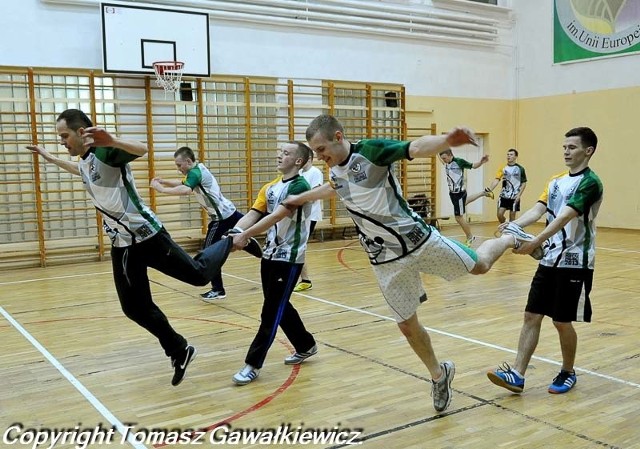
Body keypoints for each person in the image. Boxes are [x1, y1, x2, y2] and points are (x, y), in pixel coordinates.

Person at [284, 114, 542, 413]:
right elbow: (334, 188)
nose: (318, 157)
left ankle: (510, 236)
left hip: (418, 240)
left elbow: (416, 147)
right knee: (407, 324)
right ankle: (439, 374)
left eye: (320, 149)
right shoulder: (336, 170)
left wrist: (446, 141)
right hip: (385, 258)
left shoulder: (372, 151)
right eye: (314, 152)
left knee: (481, 265)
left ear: (338, 137)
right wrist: (301, 198)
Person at [26, 109, 234, 387]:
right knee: (134, 307)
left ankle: (233, 239)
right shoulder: (86, 161)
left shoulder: (106, 153)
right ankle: (179, 349)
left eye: (64, 136)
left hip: (147, 235)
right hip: (122, 244)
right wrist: (50, 158)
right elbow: (81, 171)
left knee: (198, 276)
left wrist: (111, 139)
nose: (62, 141)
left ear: (81, 132)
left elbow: (142, 149)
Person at [487, 127, 602, 395]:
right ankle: (517, 374)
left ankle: (568, 371)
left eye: (572, 147)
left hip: (575, 262)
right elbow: (540, 210)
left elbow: (564, 217)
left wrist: (535, 242)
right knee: (531, 315)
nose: (566, 151)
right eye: (564, 147)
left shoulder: (590, 182)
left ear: (588, 151)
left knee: (561, 321)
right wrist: (512, 226)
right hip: (550, 259)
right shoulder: (556, 181)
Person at [228, 141, 317, 386]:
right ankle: (306, 344)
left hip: (288, 259)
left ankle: (252, 364)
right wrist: (235, 230)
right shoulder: (271, 187)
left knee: (270, 312)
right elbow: (255, 213)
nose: (280, 155)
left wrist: (245, 236)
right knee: (278, 305)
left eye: (286, 153)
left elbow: (277, 216)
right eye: (280, 151)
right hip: (269, 255)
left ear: (298, 161)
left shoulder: (300, 186)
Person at [151, 146, 260, 302]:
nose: (178, 169)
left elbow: (185, 190)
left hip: (221, 218)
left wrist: (161, 190)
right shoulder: (197, 170)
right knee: (251, 228)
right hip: (229, 211)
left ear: (188, 161)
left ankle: (218, 289)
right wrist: (165, 181)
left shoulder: (195, 173)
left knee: (209, 254)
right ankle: (247, 241)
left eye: (179, 165)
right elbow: (182, 183)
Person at [438, 148, 492, 246]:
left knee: (458, 217)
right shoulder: (446, 162)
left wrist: (481, 162)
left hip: (459, 193)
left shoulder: (459, 161)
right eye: (442, 159)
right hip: (452, 193)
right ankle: (483, 193)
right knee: (465, 202)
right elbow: (439, 157)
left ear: (450, 155)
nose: (444, 161)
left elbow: (473, 166)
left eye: (445, 158)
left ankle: (470, 237)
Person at [293, 148, 324, 292]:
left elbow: (316, 194)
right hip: (299, 215)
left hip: (310, 216)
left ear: (309, 158)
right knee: (297, 245)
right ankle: (302, 279)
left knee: (300, 246)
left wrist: (297, 199)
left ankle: (305, 280)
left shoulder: (315, 172)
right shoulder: (299, 173)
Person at [484, 148, 527, 223]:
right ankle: (506, 225)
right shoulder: (503, 168)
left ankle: (510, 232)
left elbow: (523, 183)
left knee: (512, 217)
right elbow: (497, 179)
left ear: (516, 157)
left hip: (514, 196)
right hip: (504, 195)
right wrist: (490, 189)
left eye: (511, 154)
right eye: (508, 154)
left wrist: (519, 195)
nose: (508, 156)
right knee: (499, 214)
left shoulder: (520, 169)